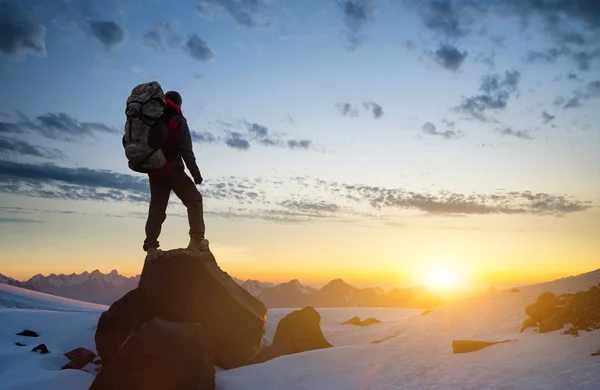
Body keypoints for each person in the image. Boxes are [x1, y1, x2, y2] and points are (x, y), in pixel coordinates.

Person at [143, 90, 208, 260]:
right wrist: (196, 174)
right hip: (173, 170)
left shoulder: (151, 119)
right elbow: (185, 149)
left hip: (154, 172)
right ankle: (197, 240)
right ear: (178, 104)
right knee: (194, 200)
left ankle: (151, 247)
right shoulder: (177, 119)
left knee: (157, 208)